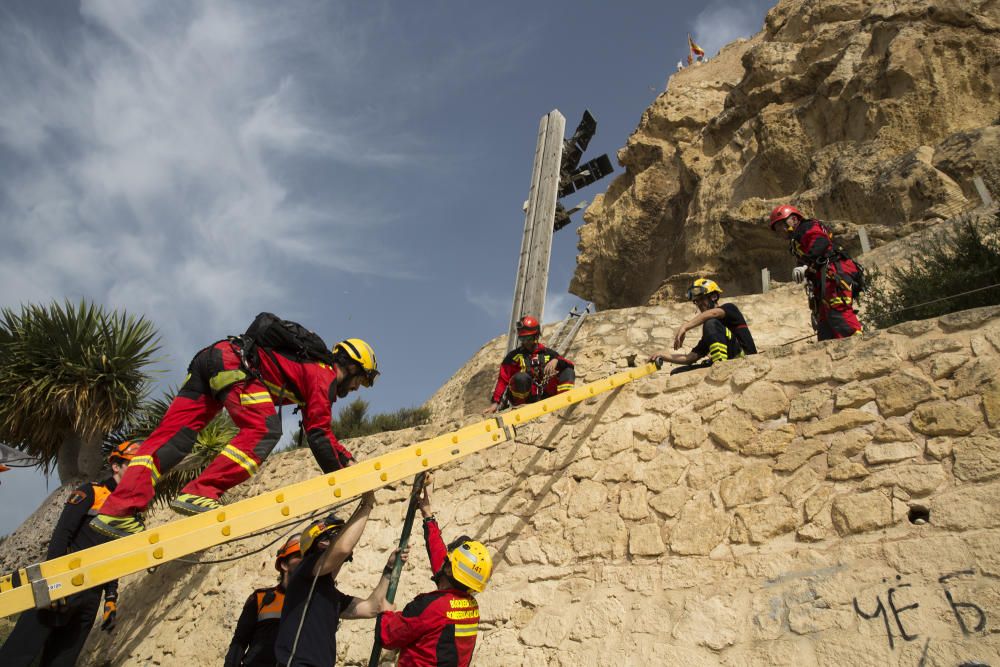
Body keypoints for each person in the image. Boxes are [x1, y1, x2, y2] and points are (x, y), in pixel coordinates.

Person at [91, 321, 379, 539]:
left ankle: (118, 510)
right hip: (235, 364)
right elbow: (318, 434)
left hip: (211, 358)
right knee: (264, 430)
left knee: (172, 440)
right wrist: (344, 477)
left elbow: (323, 433)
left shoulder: (309, 368)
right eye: (362, 382)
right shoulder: (323, 375)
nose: (356, 390)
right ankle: (201, 491)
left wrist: (348, 460)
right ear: (353, 368)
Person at [0, 441, 139, 667]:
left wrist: (110, 597)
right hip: (59, 587)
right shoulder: (91, 492)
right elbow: (61, 534)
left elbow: (115, 555)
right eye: (132, 465)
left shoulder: (130, 509)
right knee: (16, 657)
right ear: (116, 466)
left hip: (90, 596)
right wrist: (53, 579)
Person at [274, 492, 403, 667]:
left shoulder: (330, 595)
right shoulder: (304, 572)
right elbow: (342, 548)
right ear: (321, 544)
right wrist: (367, 505)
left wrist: (389, 569)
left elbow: (371, 608)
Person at [375, 477, 492, 667]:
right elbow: (441, 560)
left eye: (448, 559)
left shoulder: (430, 606)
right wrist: (428, 516)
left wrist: (386, 613)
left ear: (448, 569)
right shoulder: (471, 606)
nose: (445, 557)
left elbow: (388, 636)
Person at [769, 204, 864, 340]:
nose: (780, 230)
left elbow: (820, 242)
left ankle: (855, 343)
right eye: (777, 228)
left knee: (838, 310)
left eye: (781, 225)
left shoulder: (807, 227)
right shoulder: (796, 240)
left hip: (833, 272)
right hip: (822, 279)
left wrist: (806, 265)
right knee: (825, 321)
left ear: (794, 219)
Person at [224, 535, 303, 667]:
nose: (305, 561)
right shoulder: (260, 598)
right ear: (284, 564)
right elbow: (239, 642)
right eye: (299, 556)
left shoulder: (313, 602)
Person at [651, 278, 752, 374]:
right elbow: (690, 358)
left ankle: (721, 365)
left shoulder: (729, 309)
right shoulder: (713, 334)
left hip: (744, 360)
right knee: (677, 373)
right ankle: (718, 365)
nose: (699, 303)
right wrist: (662, 355)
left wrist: (685, 327)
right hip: (722, 360)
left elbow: (713, 314)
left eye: (702, 299)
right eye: (696, 301)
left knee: (710, 322)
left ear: (714, 297)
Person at [485, 315, 574, 413]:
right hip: (525, 399)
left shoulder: (548, 354)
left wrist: (557, 361)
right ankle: (520, 408)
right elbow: (502, 380)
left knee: (568, 371)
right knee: (520, 377)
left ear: (536, 336)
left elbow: (569, 364)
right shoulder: (513, 357)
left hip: (546, 395)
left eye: (528, 338)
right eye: (522, 339)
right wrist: (495, 403)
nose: (525, 342)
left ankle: (564, 402)